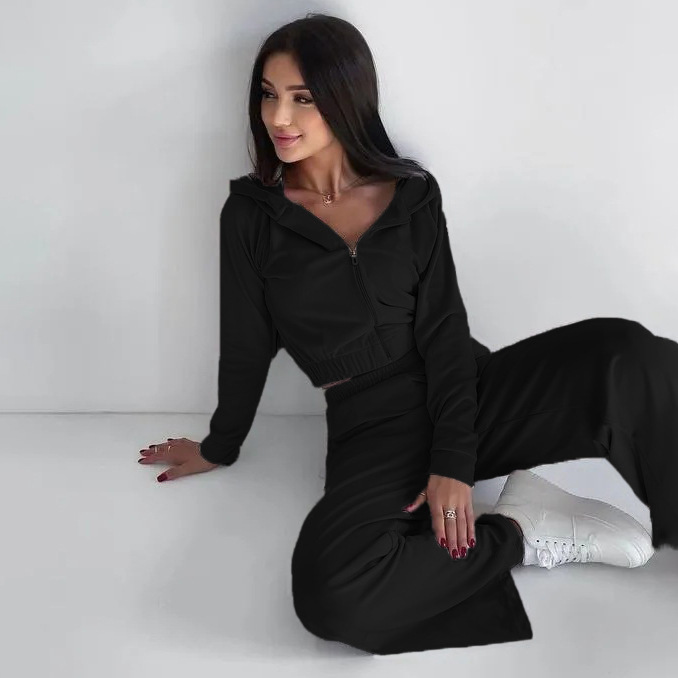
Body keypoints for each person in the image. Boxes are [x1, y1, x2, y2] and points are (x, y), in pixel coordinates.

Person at [136, 13, 678, 655]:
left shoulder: (413, 194)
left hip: (465, 389)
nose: (278, 117)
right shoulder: (251, 217)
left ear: (347, 99)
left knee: (629, 355)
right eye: (268, 94)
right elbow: (247, 345)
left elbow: (445, 329)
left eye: (303, 98)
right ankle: (523, 532)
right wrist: (220, 445)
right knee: (334, 591)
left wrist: (453, 461)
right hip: (372, 427)